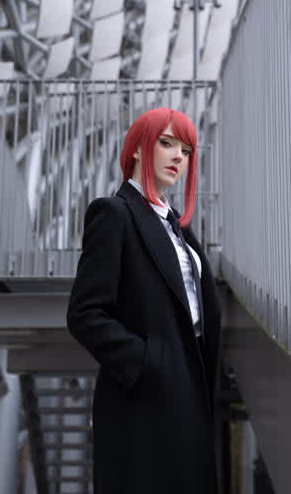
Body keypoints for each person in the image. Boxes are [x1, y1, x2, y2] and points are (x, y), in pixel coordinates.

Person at [66, 107, 222, 494]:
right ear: (138, 148)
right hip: (143, 393)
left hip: (189, 384)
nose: (178, 157)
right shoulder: (114, 214)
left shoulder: (177, 227)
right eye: (167, 143)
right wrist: (148, 361)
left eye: (186, 150)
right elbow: (85, 313)